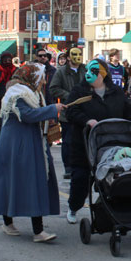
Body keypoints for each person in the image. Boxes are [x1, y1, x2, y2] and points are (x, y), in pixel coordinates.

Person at [0, 63, 67, 242]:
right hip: (17, 143)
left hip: (31, 140)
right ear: (33, 77)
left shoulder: (32, 92)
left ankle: (35, 229)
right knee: (18, 182)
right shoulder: (18, 93)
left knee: (28, 182)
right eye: (41, 76)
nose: (44, 80)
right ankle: (18, 226)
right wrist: (52, 110)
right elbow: (27, 114)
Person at [65, 59, 131, 224]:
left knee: (115, 177)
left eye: (96, 72)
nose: (91, 75)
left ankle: (117, 209)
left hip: (113, 143)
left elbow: (128, 110)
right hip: (85, 145)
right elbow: (71, 111)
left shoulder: (116, 92)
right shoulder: (79, 91)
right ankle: (73, 206)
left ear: (103, 74)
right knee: (80, 180)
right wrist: (86, 120)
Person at [50, 47, 87, 179]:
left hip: (84, 112)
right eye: (75, 54)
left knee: (84, 141)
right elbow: (53, 88)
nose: (78, 57)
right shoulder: (61, 72)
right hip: (68, 112)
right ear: (69, 57)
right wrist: (69, 95)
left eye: (80, 54)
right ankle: (69, 168)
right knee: (68, 142)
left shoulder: (85, 69)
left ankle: (83, 166)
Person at [0, 52, 17, 138]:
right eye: (5, 60)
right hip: (0, 102)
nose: (7, 62)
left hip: (14, 101)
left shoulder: (16, 71)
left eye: (9, 60)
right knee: (1, 124)